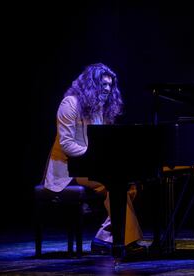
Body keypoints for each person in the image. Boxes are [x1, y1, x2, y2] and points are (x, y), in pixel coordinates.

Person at [43, 63, 144, 256]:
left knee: (129, 185)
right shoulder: (70, 103)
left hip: (90, 167)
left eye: (110, 85)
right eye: (103, 84)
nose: (107, 88)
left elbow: (102, 144)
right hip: (68, 169)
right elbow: (67, 144)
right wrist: (95, 158)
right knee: (115, 184)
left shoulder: (99, 108)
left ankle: (103, 238)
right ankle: (128, 242)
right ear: (90, 84)